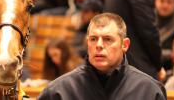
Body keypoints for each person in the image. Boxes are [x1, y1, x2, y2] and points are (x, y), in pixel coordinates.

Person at [38, 13, 166, 100]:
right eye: (93, 39)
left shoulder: (149, 90)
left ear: (125, 45)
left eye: (107, 39)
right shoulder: (58, 91)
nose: (99, 45)